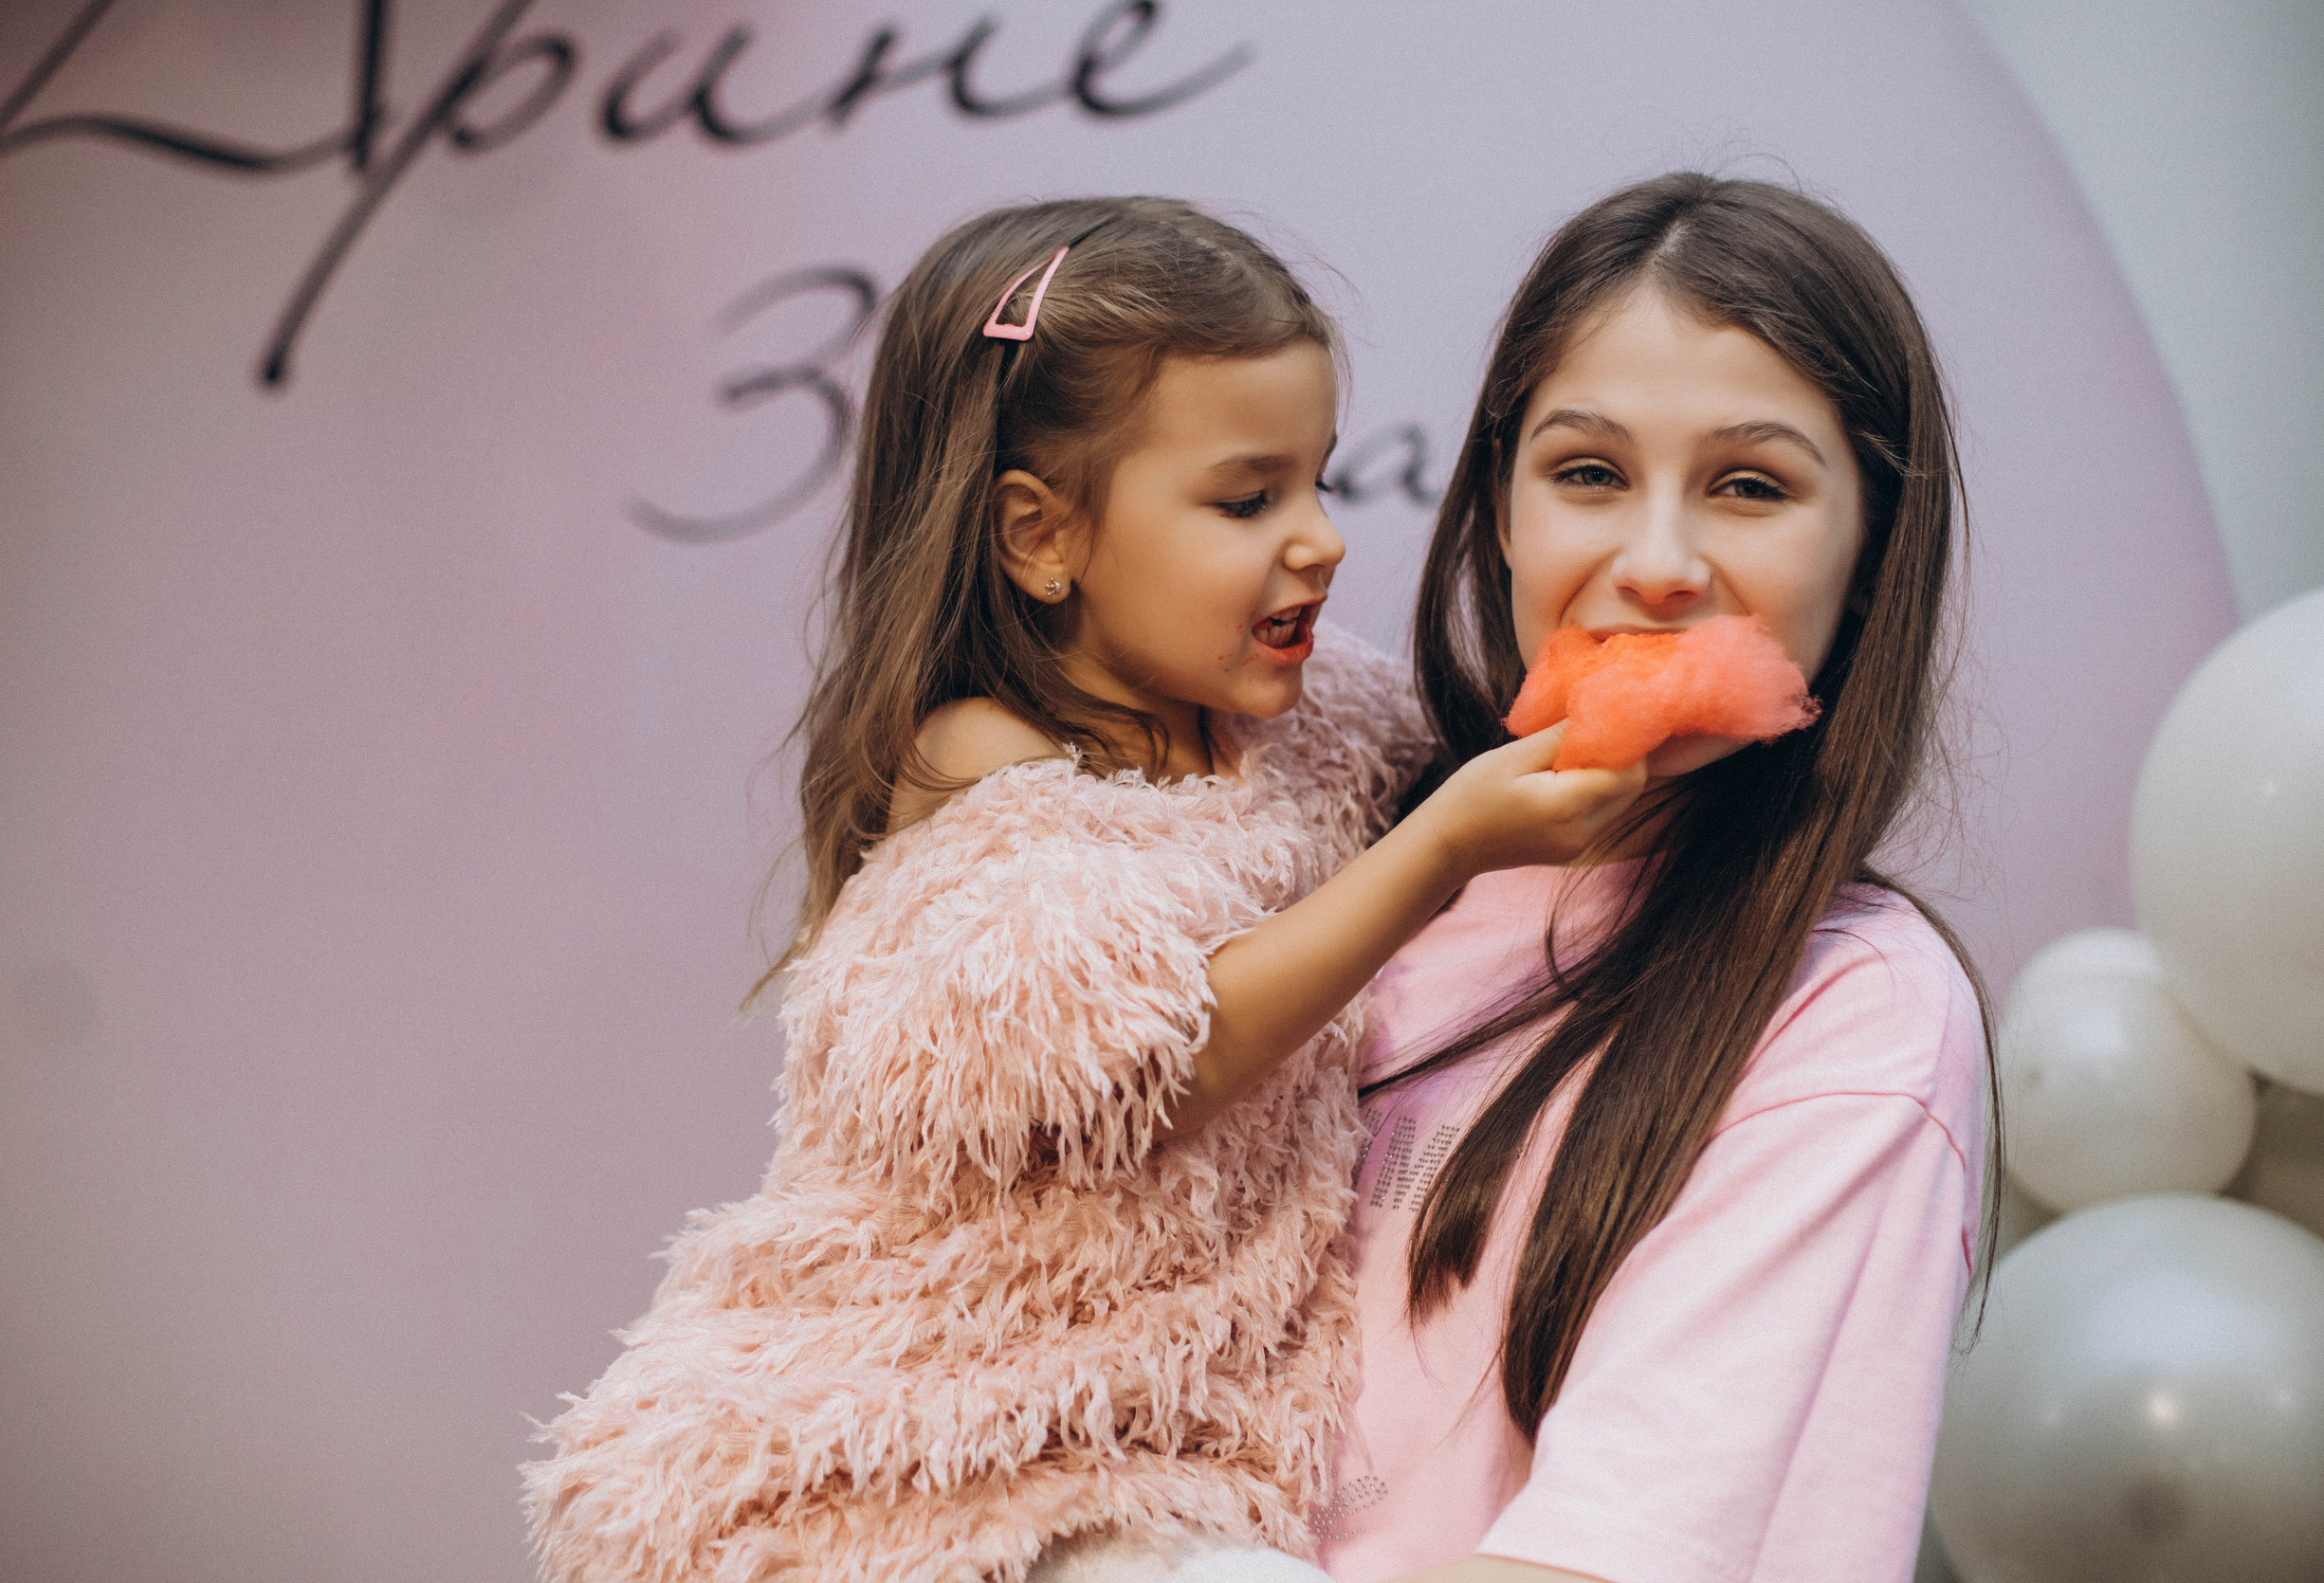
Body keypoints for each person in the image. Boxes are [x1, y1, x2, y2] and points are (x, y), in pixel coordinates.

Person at [522, 196, 1644, 1583]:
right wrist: (1440, 853)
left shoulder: (1300, 727)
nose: (1320, 540)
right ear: (1040, 536)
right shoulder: (984, 783)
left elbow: (1456, 761)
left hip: (1152, 1451)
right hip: (936, 1451)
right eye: (1247, 500)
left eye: (1320, 482)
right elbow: (1160, 1056)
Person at [1315, 173, 1998, 1583]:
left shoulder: (1853, 1012)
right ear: (1500, 508)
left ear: (1870, 550)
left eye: (1751, 487)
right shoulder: (1334, 865)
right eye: (1588, 473)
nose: (1659, 563)